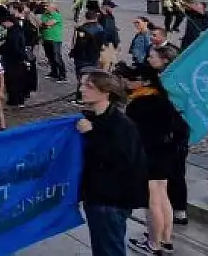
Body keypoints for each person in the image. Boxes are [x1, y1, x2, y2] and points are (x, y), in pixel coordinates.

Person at [76, 69, 149, 256]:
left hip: (110, 201)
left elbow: (121, 160)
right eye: (82, 84)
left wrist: (91, 134)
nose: (82, 89)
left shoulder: (121, 124)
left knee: (109, 250)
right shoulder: (93, 118)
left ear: (105, 91)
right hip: (96, 197)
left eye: (88, 86)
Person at [122, 46, 185, 256]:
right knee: (163, 197)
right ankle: (166, 241)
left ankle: (153, 244)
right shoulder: (163, 98)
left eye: (133, 79)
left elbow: (130, 134)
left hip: (149, 155)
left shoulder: (140, 103)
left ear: (145, 82)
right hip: (166, 153)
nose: (128, 83)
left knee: (153, 202)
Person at [70, 9, 105, 105]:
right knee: (90, 77)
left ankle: (81, 98)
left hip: (83, 58)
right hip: (94, 56)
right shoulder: (100, 28)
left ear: (86, 17)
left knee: (82, 78)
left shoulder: (82, 29)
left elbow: (79, 45)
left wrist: (73, 53)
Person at [41, 2, 66, 83]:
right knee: (50, 57)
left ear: (53, 8)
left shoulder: (57, 15)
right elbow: (41, 24)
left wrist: (46, 25)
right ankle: (54, 72)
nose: (45, 7)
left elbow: (48, 23)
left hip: (55, 39)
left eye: (47, 6)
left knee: (57, 58)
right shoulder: (44, 15)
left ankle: (63, 76)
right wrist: (46, 25)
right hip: (46, 38)